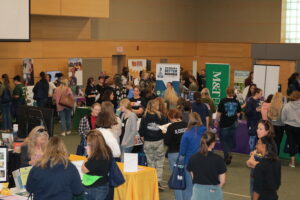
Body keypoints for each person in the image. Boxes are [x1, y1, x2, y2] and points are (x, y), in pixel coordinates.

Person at [187, 132, 226, 200]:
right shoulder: (218, 159)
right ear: (213, 143)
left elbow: (193, 177)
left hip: (197, 192)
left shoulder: (193, 158)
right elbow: (222, 181)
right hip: (213, 192)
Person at [139, 99, 168, 189]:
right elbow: (165, 130)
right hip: (159, 142)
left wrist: (145, 141)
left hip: (148, 142)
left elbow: (141, 132)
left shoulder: (144, 117)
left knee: (150, 162)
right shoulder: (162, 117)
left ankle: (151, 182)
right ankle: (158, 181)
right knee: (159, 163)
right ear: (157, 106)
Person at [179, 112, 207, 200]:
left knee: (189, 187)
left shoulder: (187, 134)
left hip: (189, 163)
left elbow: (182, 152)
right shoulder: (205, 132)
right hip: (204, 162)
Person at [246, 120, 275, 198]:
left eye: (260, 129)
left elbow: (267, 166)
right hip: (254, 177)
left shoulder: (270, 145)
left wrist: (255, 162)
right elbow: (249, 162)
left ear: (267, 131)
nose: (257, 130)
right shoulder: (260, 141)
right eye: (257, 128)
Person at [81, 130, 113, 200]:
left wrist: (88, 156)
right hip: (103, 183)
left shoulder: (96, 156)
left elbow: (84, 169)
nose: (87, 144)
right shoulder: (107, 150)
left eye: (88, 143)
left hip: (95, 187)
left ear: (93, 143)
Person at [164, 108, 187, 200]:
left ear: (170, 117)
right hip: (185, 154)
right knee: (185, 177)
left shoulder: (171, 127)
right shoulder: (186, 124)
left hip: (174, 154)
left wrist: (164, 133)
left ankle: (178, 198)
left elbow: (167, 141)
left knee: (177, 178)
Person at [215, 87, 241, 165]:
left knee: (223, 141)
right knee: (229, 140)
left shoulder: (223, 101)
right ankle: (227, 157)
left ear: (226, 92)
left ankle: (228, 154)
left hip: (224, 124)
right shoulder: (236, 101)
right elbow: (239, 113)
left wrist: (216, 121)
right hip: (233, 124)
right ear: (233, 93)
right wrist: (235, 117)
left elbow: (219, 113)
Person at [281, 91, 300, 168]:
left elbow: (283, 118)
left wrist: (286, 122)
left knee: (291, 144)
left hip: (289, 127)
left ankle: (292, 162)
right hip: (299, 127)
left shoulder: (287, 105)